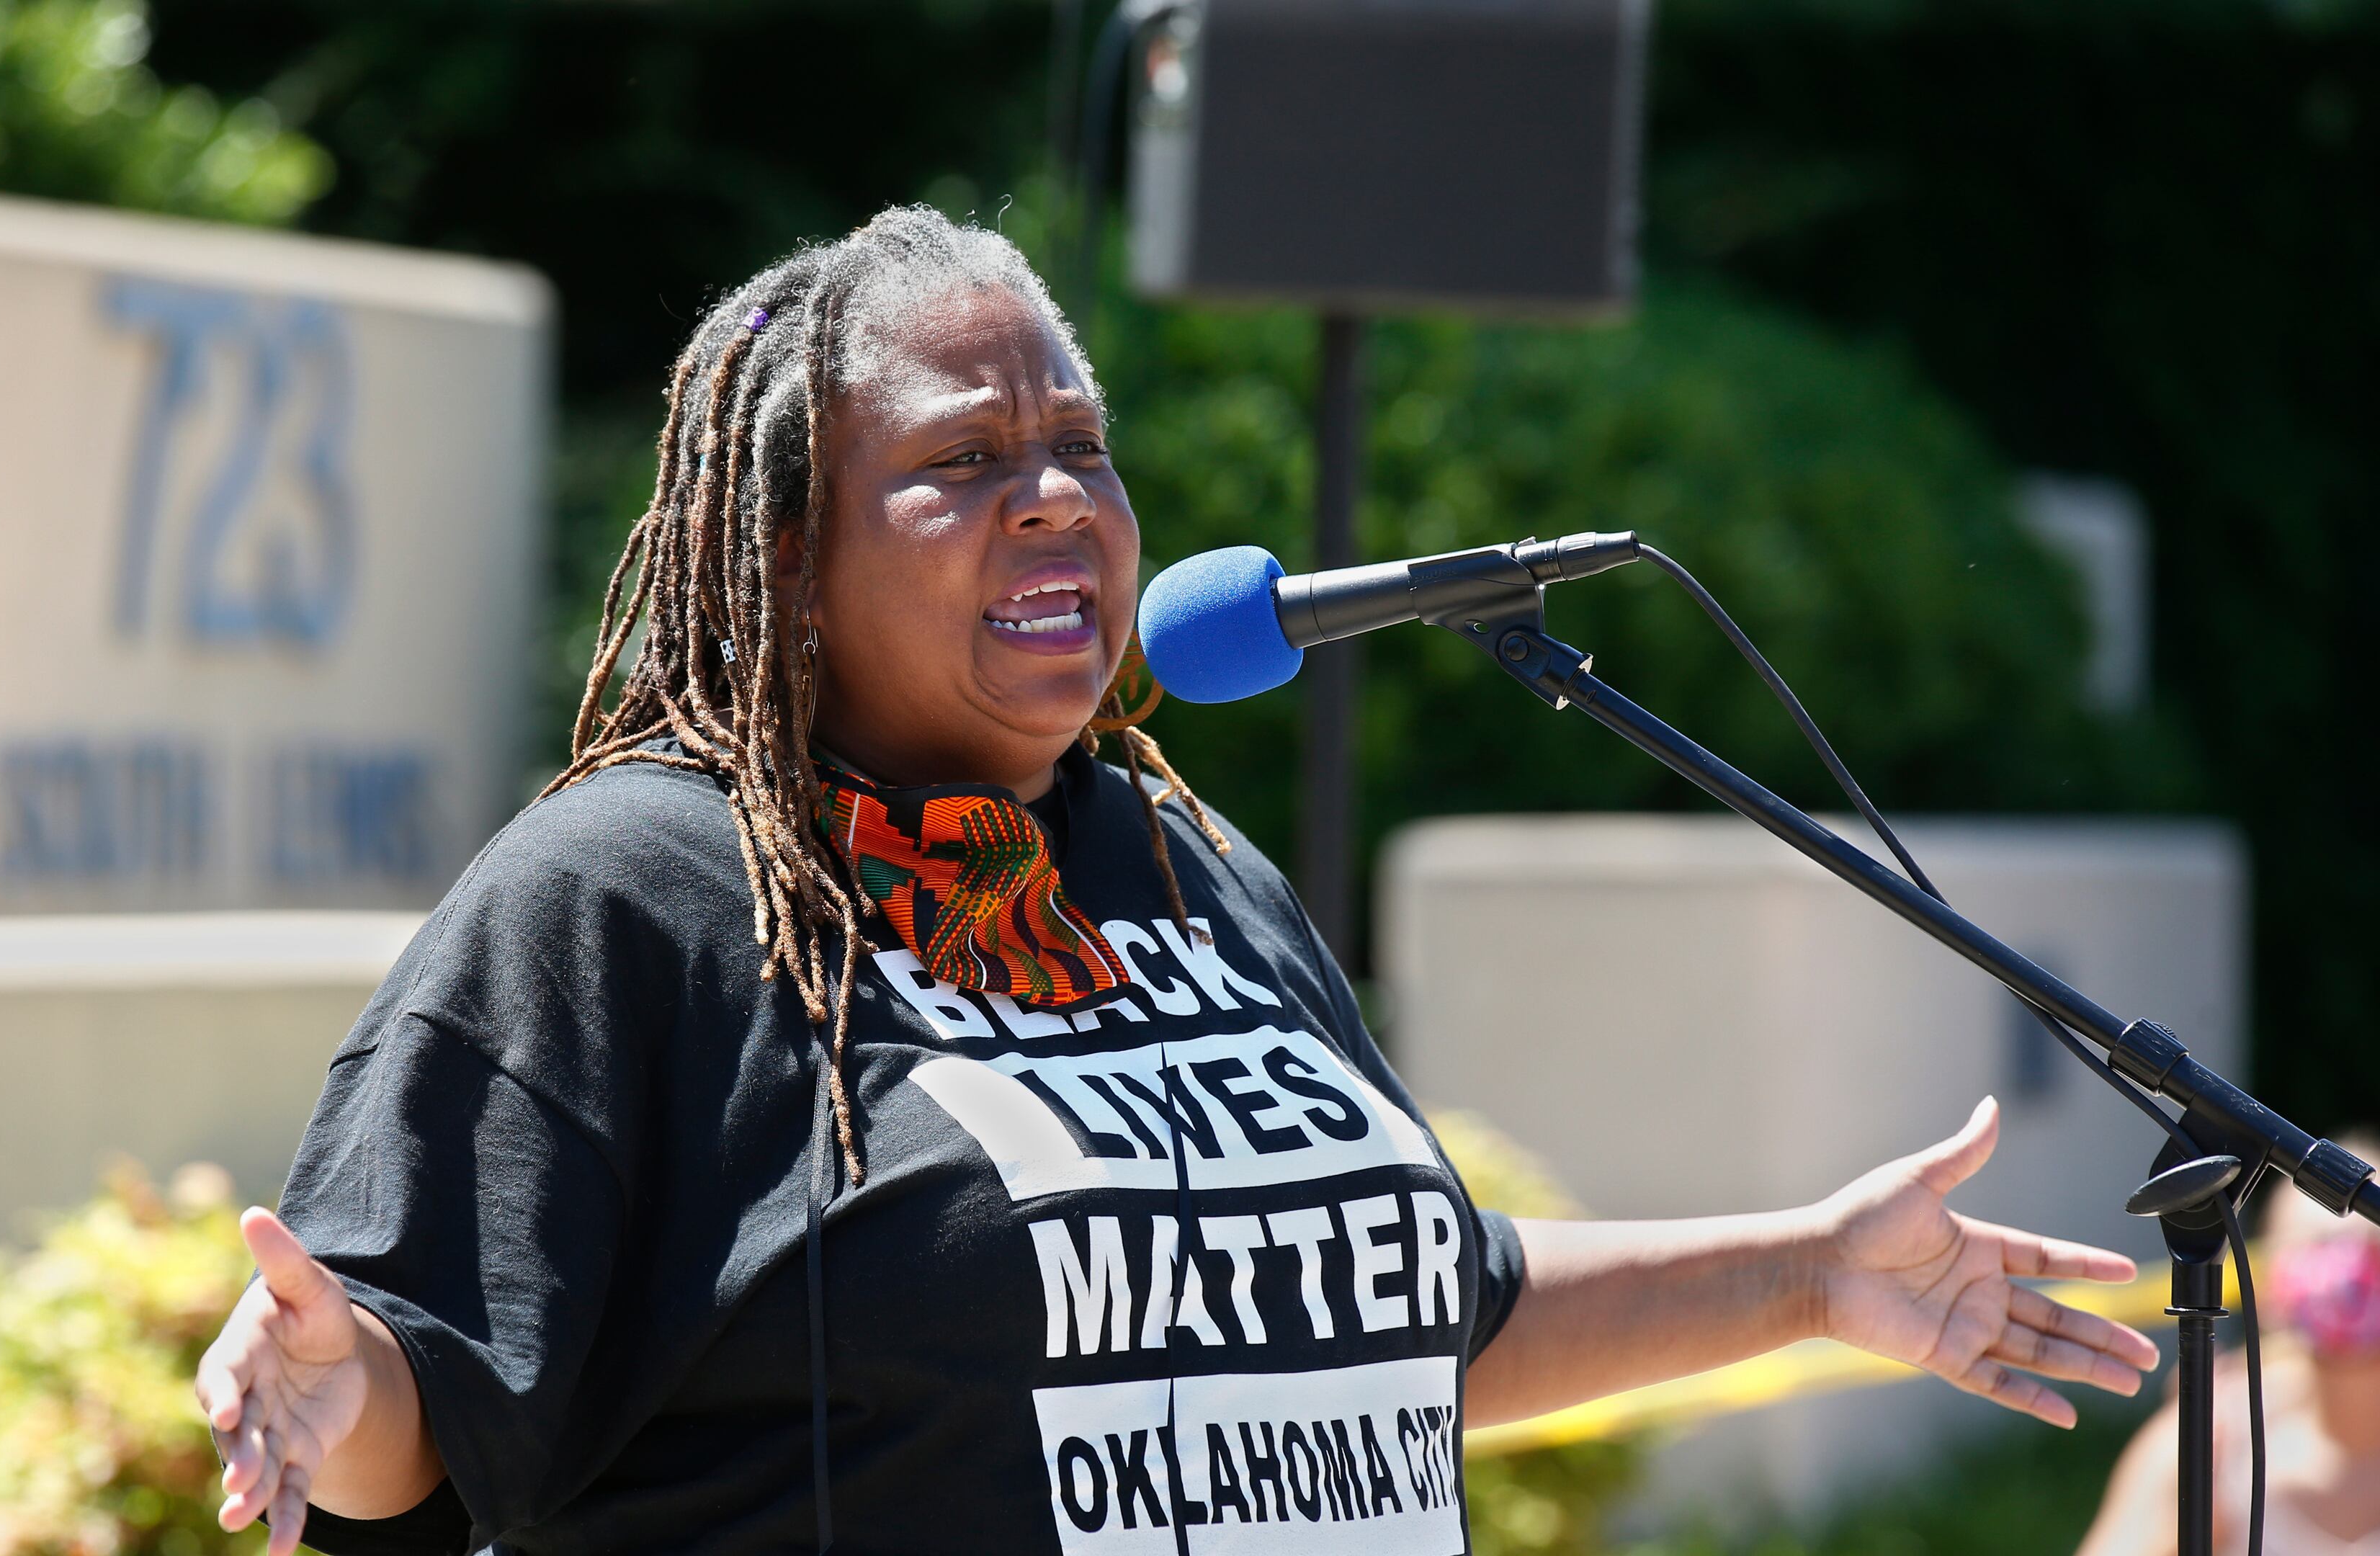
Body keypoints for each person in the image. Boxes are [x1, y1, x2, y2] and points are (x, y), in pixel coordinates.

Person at [193, 207, 2159, 1556]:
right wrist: (325, 1381)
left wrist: (1810, 1276)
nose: (1055, 494)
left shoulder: (1179, 861)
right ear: (788, 561)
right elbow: (427, 1403)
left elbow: (1413, 1324)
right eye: (961, 463)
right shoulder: (635, 896)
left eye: (1082, 449)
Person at [2077, 1137, 2380, 1556]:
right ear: (2270, 1280)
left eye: (2370, 1248)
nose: (2348, 1273)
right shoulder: (2215, 1432)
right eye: (2319, 1247)